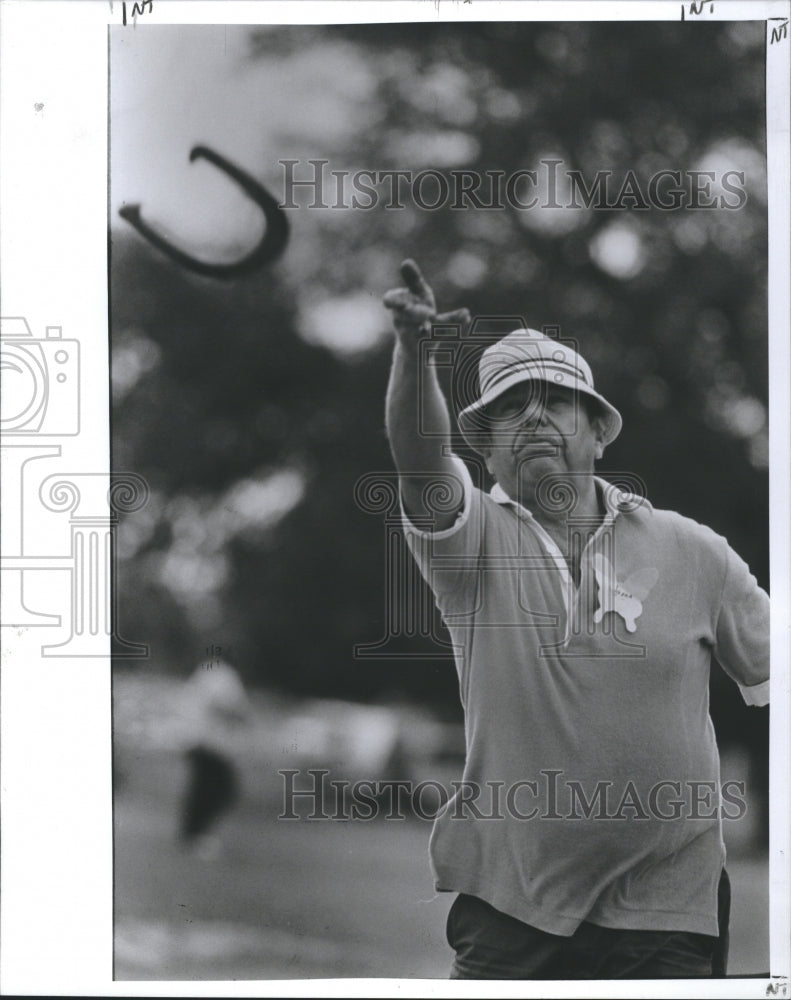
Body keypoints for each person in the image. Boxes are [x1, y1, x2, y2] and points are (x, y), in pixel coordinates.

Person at [382, 259, 769, 980]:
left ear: (597, 432)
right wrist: (413, 352)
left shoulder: (693, 551)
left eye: (553, 401)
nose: (531, 416)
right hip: (511, 905)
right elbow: (417, 459)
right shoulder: (469, 543)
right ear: (486, 449)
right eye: (508, 407)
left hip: (668, 909)